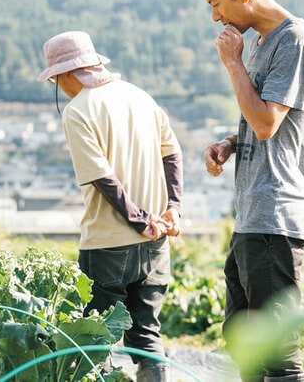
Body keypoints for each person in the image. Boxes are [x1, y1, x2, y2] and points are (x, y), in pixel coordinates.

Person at [195, 0, 304, 382]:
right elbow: (265, 119)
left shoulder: (294, 40)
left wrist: (232, 64)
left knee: (278, 360)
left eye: (216, 4)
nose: (215, 17)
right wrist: (232, 142)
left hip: (276, 212)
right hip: (254, 212)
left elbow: (268, 123)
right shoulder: (264, 42)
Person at [36, 30, 183, 382]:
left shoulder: (78, 110)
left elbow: (103, 179)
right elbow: (172, 153)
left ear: (68, 74)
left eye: (57, 79)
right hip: (155, 242)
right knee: (147, 336)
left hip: (107, 245)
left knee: (96, 342)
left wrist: (138, 220)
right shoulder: (139, 96)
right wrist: (172, 208)